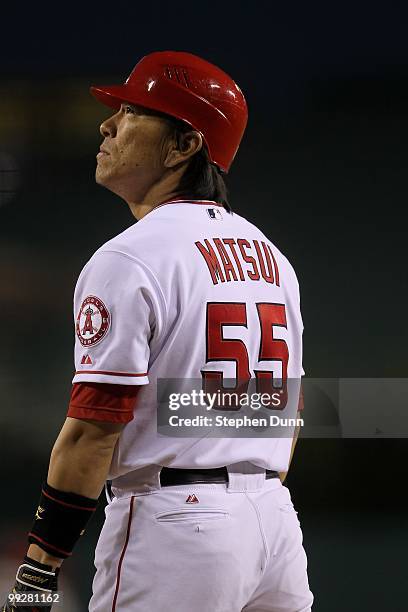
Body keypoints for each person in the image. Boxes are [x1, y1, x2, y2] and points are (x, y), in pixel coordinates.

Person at [3, 51, 313, 612]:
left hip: (178, 527)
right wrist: (244, 494)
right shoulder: (272, 257)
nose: (107, 123)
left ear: (185, 146)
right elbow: (284, 413)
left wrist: (38, 570)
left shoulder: (131, 257)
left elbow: (94, 429)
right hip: (273, 526)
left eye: (133, 111)